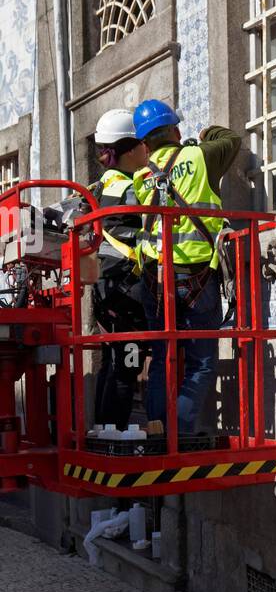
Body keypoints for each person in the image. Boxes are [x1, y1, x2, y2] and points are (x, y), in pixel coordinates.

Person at [130, 99, 240, 436]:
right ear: (177, 131)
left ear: (145, 145)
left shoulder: (140, 176)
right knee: (201, 363)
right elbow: (232, 140)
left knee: (162, 355)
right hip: (196, 277)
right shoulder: (200, 156)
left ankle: (157, 430)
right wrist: (208, 134)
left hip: (153, 277)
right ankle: (179, 433)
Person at [89, 109, 149, 429]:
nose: (147, 148)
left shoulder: (98, 186)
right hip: (125, 288)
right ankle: (118, 435)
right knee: (127, 367)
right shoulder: (128, 188)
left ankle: (103, 429)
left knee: (111, 364)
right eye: (142, 142)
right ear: (128, 150)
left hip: (105, 287)